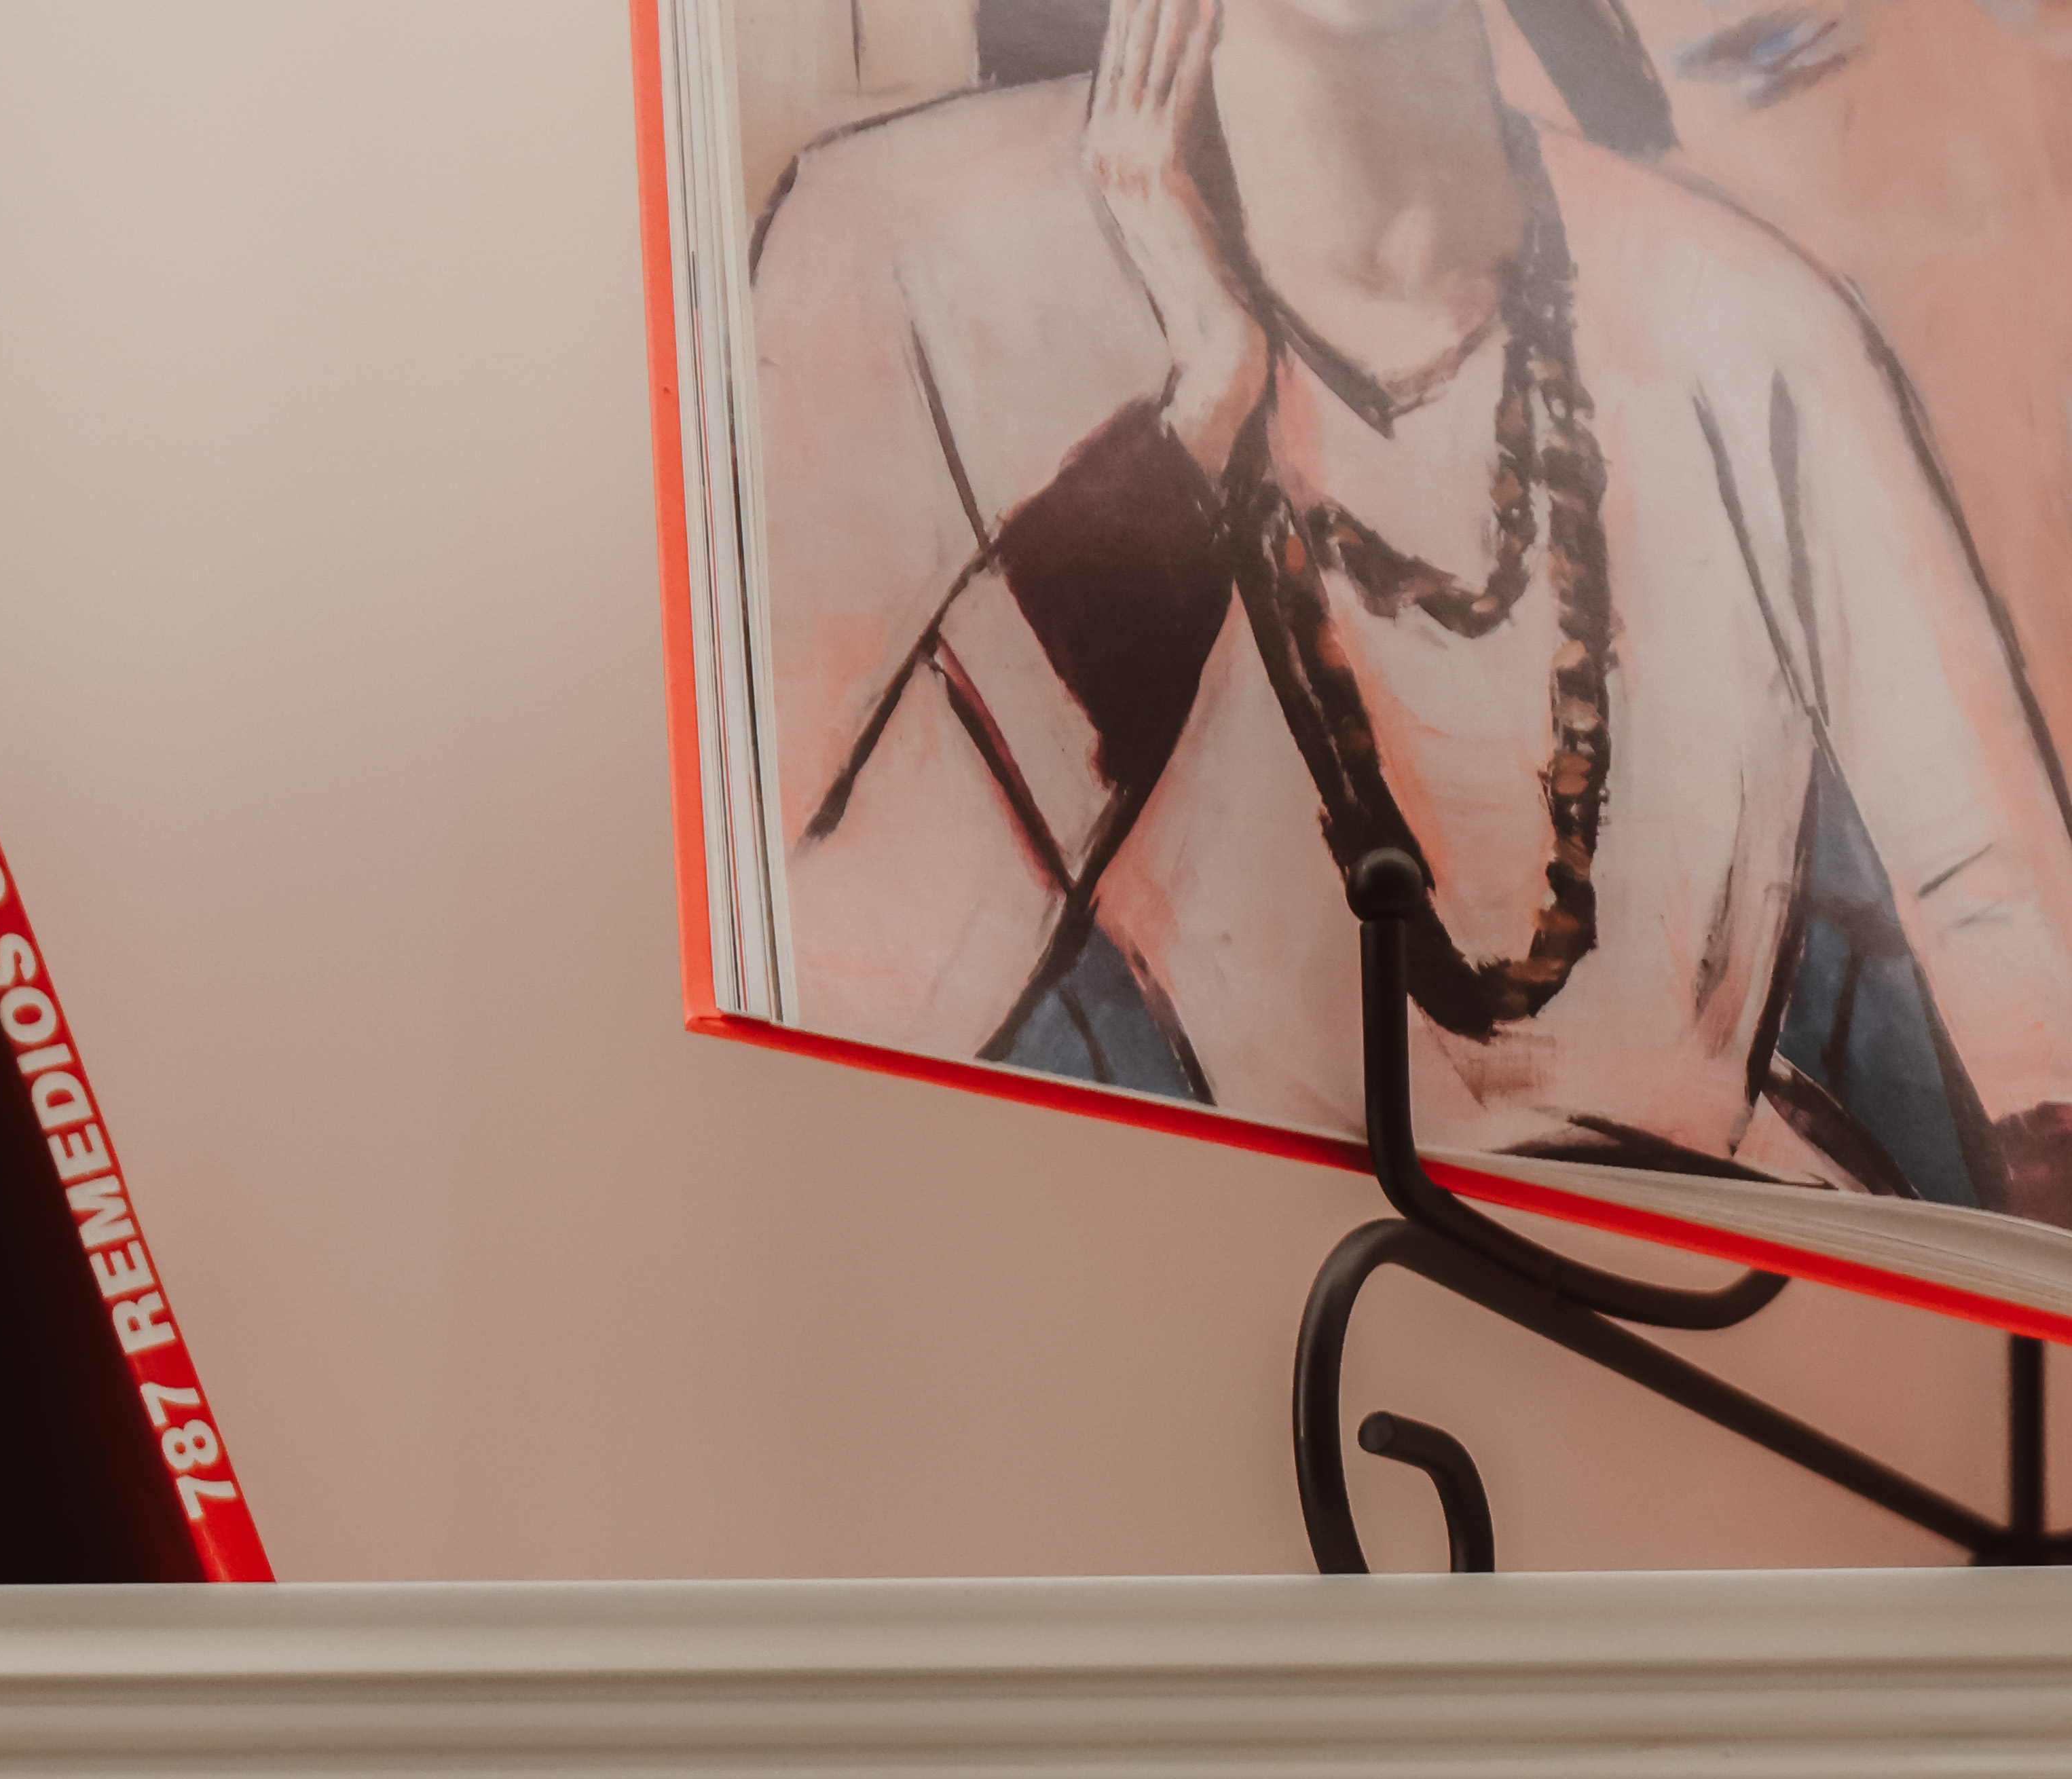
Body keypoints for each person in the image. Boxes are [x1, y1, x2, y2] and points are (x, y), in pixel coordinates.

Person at [747, 0, 2072, 1215]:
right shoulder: (896, 242)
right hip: (1159, 1356)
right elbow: (842, 988)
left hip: (1706, 1372)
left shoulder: (1745, 322)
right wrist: (1181, 446)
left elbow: (2020, 977)